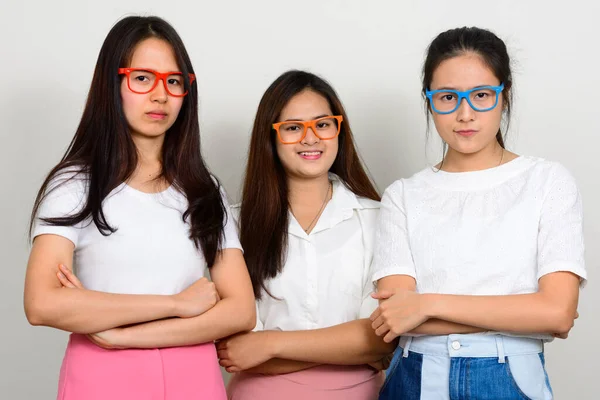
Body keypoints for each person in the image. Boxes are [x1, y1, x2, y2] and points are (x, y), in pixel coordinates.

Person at [24, 16, 255, 400]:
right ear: (111, 85)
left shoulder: (203, 188)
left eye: (174, 81)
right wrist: (177, 305)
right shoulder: (75, 184)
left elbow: (241, 310)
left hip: (194, 380)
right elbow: (42, 303)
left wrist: (121, 335)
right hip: (102, 381)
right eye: (143, 78)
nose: (161, 95)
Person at [370, 27, 586, 400]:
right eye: (448, 97)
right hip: (414, 375)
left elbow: (557, 313)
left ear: (505, 96)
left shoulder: (547, 181)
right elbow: (396, 317)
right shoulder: (403, 196)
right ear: (428, 101)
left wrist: (427, 305)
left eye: (482, 95)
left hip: (509, 378)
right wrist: (523, 314)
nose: (465, 113)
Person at [218, 70, 395, 400]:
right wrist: (347, 348)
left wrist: (271, 343)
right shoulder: (233, 223)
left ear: (338, 130)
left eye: (323, 124)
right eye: (293, 127)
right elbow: (234, 349)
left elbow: (378, 339)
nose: (310, 138)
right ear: (269, 137)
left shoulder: (379, 218)